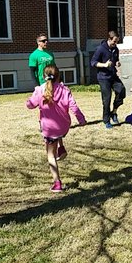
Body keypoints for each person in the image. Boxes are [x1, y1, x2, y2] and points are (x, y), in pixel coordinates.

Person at [26, 64, 86, 192]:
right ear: (59, 76)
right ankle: (61, 148)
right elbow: (74, 107)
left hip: (49, 129)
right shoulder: (65, 90)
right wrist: (81, 119)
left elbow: (30, 105)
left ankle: (57, 183)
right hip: (63, 126)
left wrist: (32, 97)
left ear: (43, 77)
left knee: (50, 155)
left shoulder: (40, 90)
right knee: (57, 132)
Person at [91, 31, 126, 129]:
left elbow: (115, 60)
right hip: (103, 77)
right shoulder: (100, 49)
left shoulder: (116, 49)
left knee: (121, 90)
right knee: (107, 100)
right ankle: (106, 120)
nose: (116, 44)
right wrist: (104, 65)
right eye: (114, 41)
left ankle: (114, 112)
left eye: (117, 42)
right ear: (109, 39)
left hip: (113, 75)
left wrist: (117, 62)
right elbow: (93, 62)